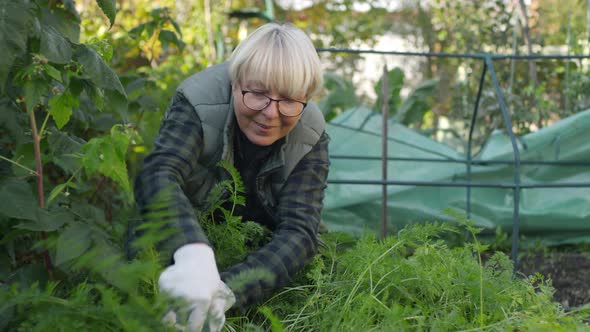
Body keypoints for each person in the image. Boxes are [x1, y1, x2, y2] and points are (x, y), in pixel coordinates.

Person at [133, 22, 330, 331]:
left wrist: (225, 293)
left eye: (289, 100)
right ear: (235, 82)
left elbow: (300, 232)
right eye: (257, 93)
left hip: (256, 246)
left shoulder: (310, 131)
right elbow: (159, 173)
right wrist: (191, 253)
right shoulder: (198, 101)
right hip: (189, 227)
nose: (270, 113)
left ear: (305, 98)